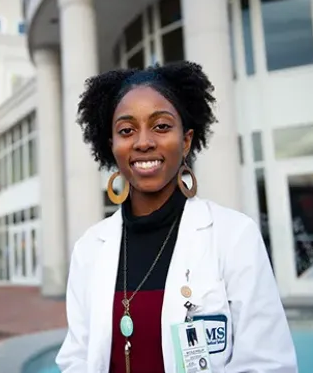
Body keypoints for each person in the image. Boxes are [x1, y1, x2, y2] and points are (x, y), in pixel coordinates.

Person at [55, 62, 297, 373]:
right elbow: (77, 357)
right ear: (111, 145)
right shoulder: (89, 249)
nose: (143, 142)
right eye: (126, 131)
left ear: (185, 141)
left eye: (161, 126)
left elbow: (268, 364)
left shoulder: (234, 236)